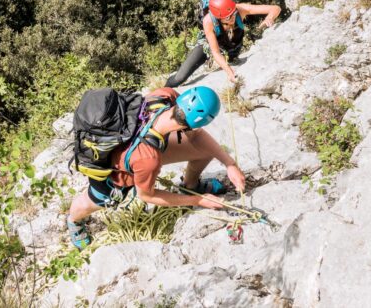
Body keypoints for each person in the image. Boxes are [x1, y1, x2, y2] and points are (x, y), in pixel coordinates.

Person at [66, 85, 246, 250]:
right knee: (94, 200)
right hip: (115, 172)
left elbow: (196, 136)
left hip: (139, 148)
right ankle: (73, 220)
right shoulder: (148, 159)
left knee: (204, 151)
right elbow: (147, 195)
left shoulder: (164, 95)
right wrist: (198, 201)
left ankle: (191, 186)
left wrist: (230, 164)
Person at [165, 0, 281, 87]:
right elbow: (215, 52)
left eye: (233, 14)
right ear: (218, 17)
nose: (232, 18)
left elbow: (275, 8)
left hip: (232, 48)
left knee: (232, 49)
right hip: (209, 45)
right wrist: (229, 71)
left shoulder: (239, 9)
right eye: (227, 17)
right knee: (179, 78)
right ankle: (163, 92)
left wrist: (269, 17)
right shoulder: (208, 21)